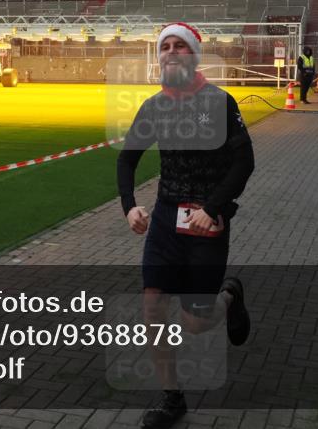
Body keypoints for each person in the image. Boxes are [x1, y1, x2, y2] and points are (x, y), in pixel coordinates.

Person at [117, 22, 255, 429]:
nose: (172, 52)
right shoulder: (155, 105)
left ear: (193, 54)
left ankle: (230, 295)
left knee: (195, 323)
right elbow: (127, 160)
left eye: (180, 46)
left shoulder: (220, 101)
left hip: (206, 223)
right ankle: (172, 398)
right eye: (165, 47)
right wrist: (129, 207)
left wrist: (212, 207)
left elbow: (244, 162)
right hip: (164, 219)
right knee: (153, 306)